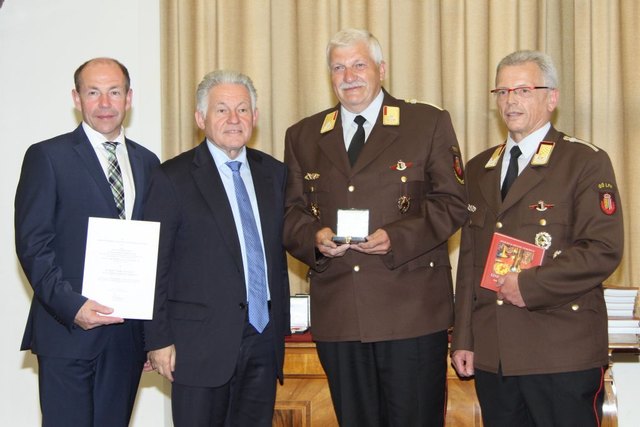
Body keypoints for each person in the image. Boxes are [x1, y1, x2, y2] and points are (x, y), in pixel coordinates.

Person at [283, 28, 468, 426]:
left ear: (381, 69)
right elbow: (291, 214)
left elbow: (452, 203)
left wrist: (397, 238)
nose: (348, 76)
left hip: (411, 313)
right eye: (338, 67)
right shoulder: (304, 135)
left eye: (358, 64)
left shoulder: (427, 123)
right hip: (340, 315)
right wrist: (314, 239)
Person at [451, 50, 624, 426]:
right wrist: (463, 336)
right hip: (495, 355)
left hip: (560, 350)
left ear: (552, 97)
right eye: (502, 91)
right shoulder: (481, 167)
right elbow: (469, 261)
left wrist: (529, 286)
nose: (511, 100)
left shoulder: (583, 161)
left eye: (524, 90)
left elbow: (602, 250)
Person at [15, 57, 160, 426]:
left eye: (114, 92)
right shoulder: (47, 157)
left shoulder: (148, 163)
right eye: (93, 92)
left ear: (129, 98)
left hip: (125, 339)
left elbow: (156, 251)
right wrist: (74, 307)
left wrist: (150, 334)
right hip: (68, 331)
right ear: (76, 99)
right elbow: (33, 245)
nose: (105, 103)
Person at [143, 70, 290, 426]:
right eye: (221, 110)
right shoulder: (171, 177)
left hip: (262, 338)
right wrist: (157, 340)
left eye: (243, 110)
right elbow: (155, 266)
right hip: (198, 346)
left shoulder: (275, 173)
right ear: (200, 118)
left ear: (255, 118)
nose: (234, 119)